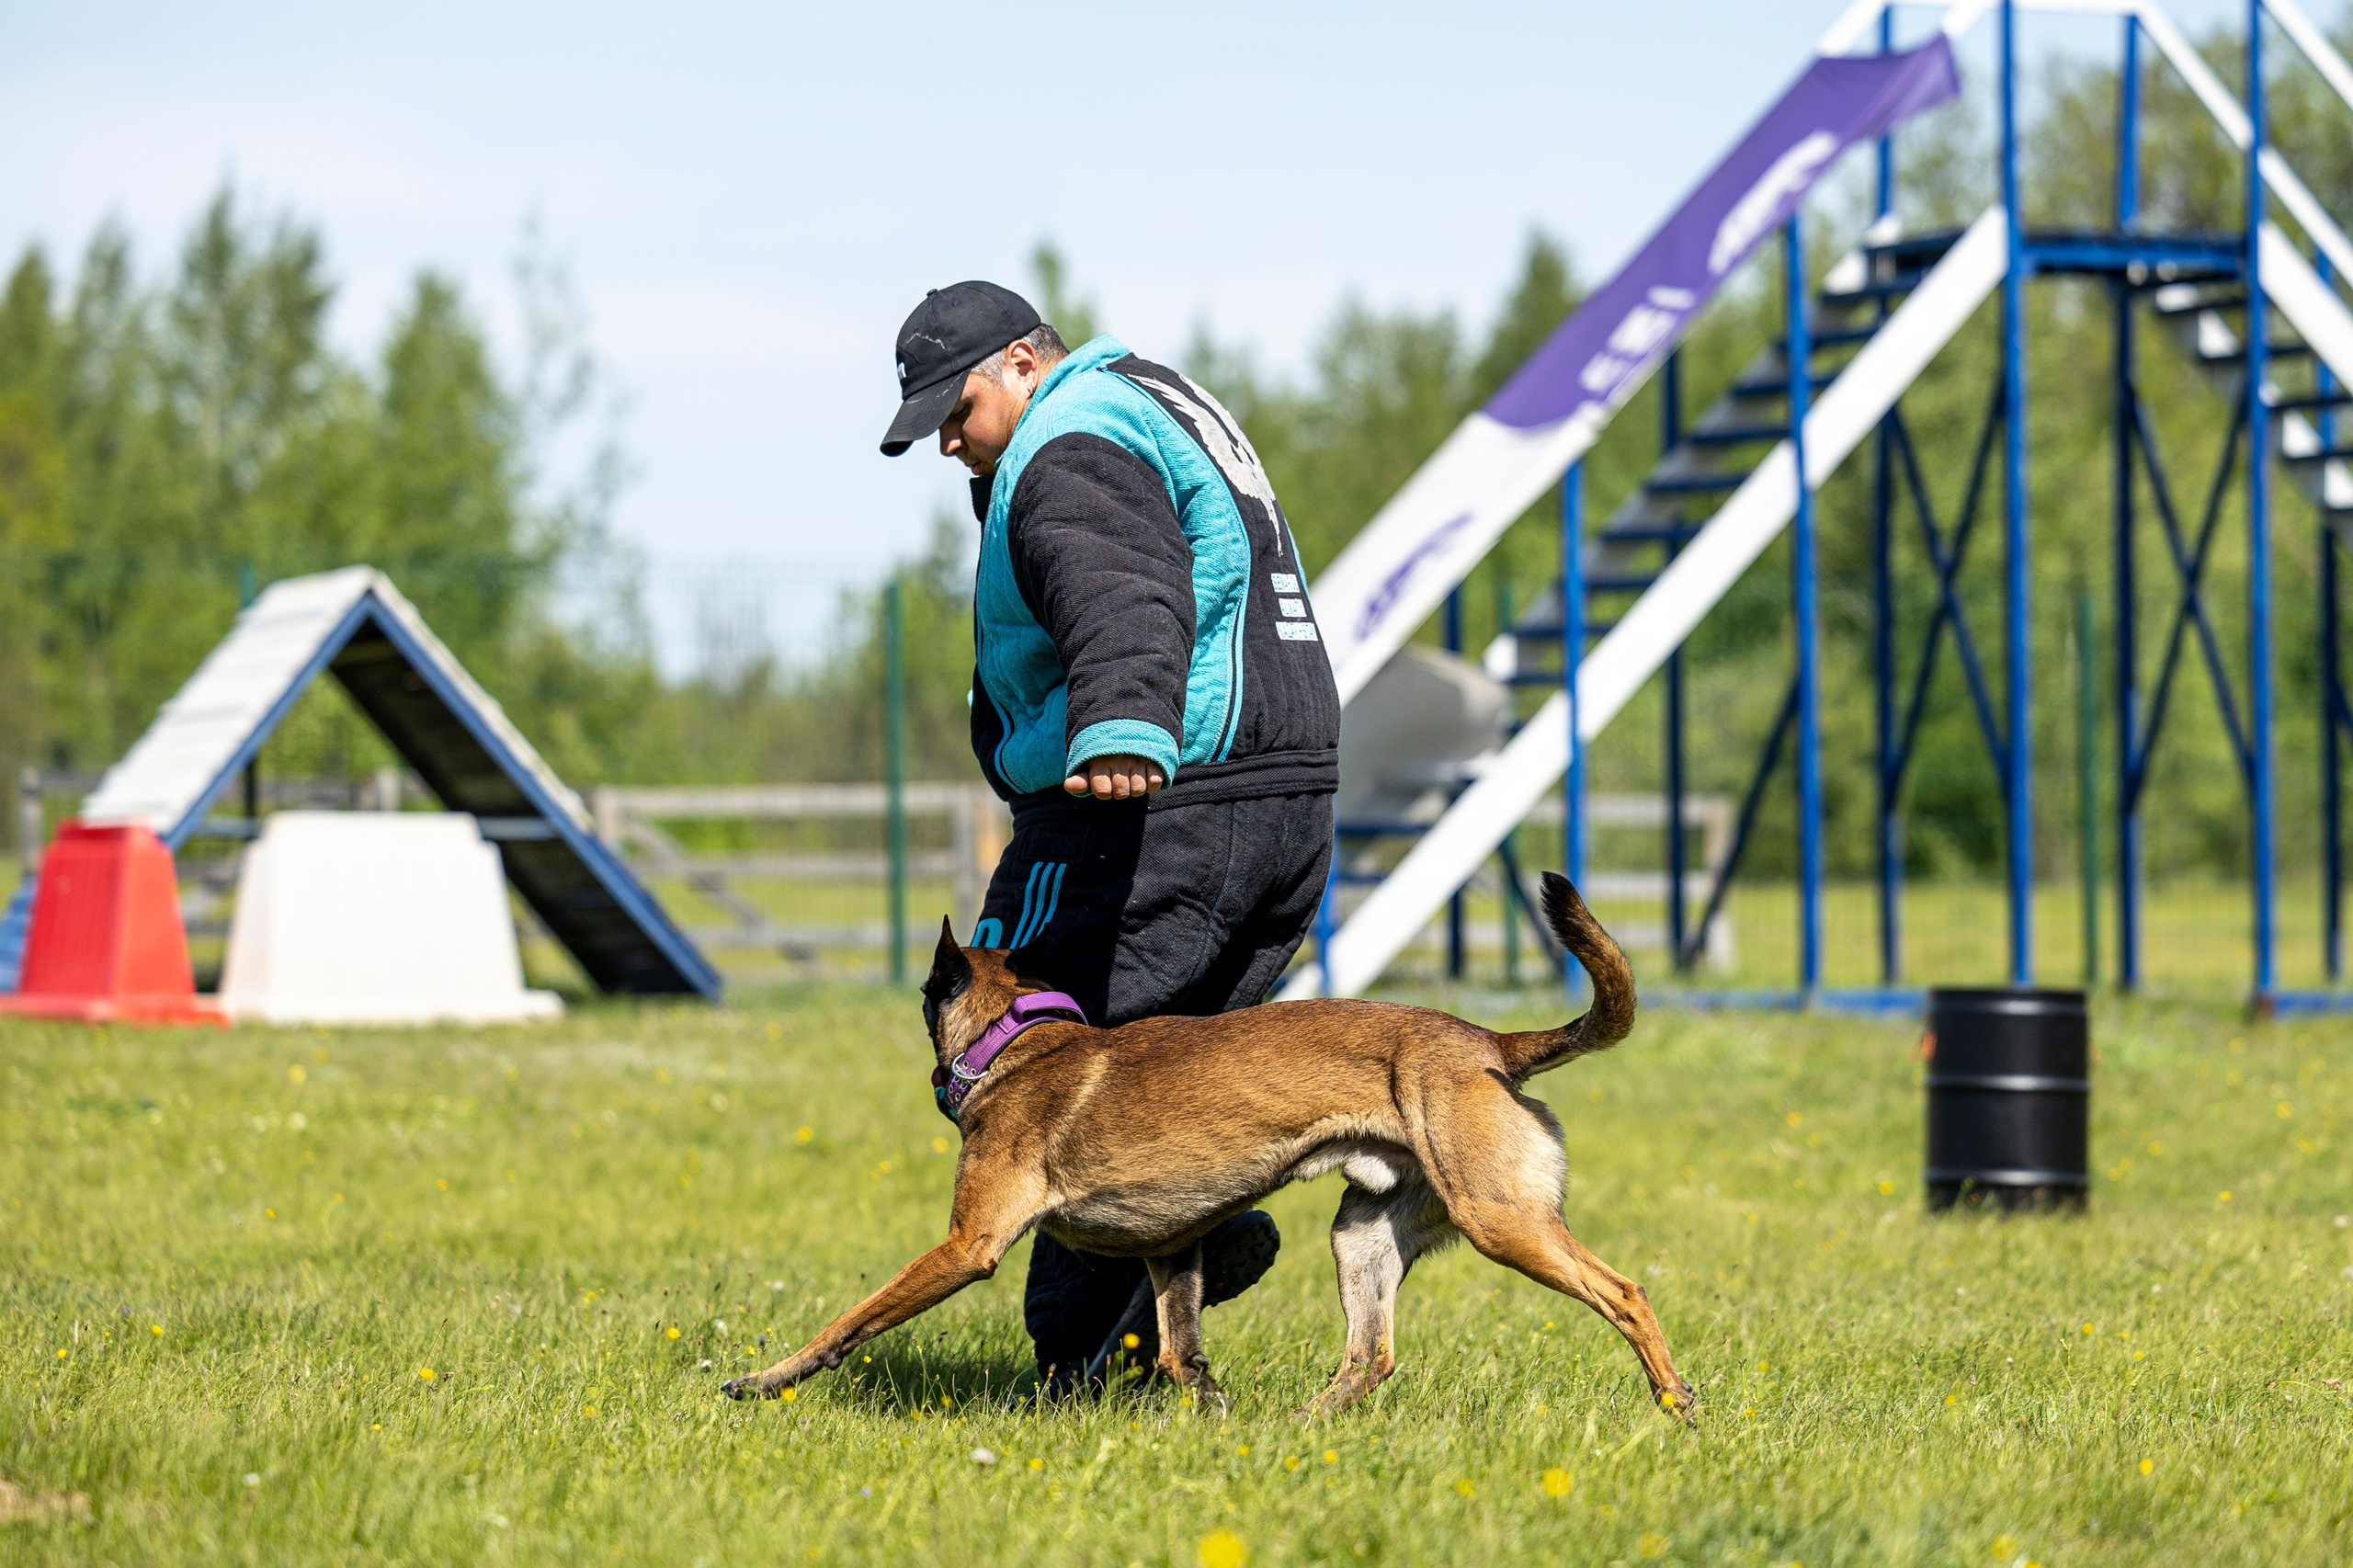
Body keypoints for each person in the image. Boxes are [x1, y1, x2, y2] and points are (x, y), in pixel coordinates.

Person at [881, 280, 1341, 1394]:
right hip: (1275, 796)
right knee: (1173, 1065)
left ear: (1024, 365)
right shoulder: (1157, 399)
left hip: (1148, 799)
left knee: (1012, 1043)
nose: (950, 439)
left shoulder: (1068, 442)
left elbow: (1124, 583)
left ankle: (1077, 1363)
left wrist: (1125, 720)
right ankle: (1188, 1235)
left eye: (960, 407)